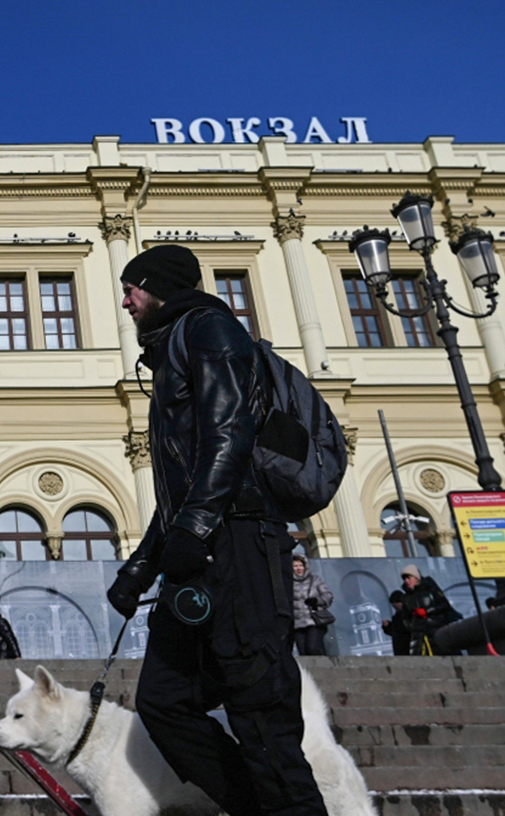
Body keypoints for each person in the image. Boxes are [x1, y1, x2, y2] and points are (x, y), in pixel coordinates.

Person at [104, 244, 330, 816]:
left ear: (158, 288)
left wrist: (195, 527)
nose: (126, 301)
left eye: (132, 289)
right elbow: (183, 485)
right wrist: (140, 568)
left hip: (240, 546)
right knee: (164, 701)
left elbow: (229, 437)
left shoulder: (210, 331)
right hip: (202, 548)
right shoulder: (172, 350)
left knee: (262, 717)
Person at [394, 565, 461, 655]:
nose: (406, 581)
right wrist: (412, 626)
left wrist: (428, 611)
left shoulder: (430, 589)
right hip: (418, 636)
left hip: (437, 630)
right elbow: (405, 617)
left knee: (445, 655)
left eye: (409, 578)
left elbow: (445, 605)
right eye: (404, 579)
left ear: (416, 577)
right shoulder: (406, 598)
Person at [289, 556, 334, 657]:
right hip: (297, 624)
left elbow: (328, 595)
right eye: (295, 566)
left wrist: (317, 600)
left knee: (312, 648)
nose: (299, 568)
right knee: (303, 653)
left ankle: (323, 666)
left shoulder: (315, 580)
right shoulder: (288, 583)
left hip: (314, 621)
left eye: (301, 565)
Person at [382, 591, 412, 656]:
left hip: (407, 646)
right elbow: (395, 631)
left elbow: (402, 630)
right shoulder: (397, 616)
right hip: (400, 649)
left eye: (396, 603)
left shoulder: (409, 614)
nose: (394, 606)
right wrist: (387, 626)